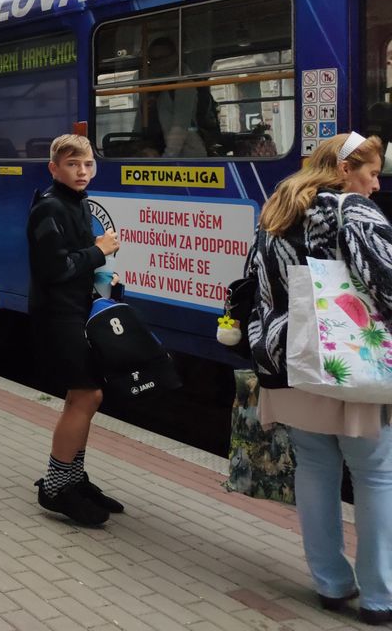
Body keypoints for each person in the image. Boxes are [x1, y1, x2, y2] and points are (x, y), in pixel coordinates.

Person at [249, 132, 392, 623]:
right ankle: (380, 597)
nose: (375, 186)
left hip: (291, 360)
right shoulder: (351, 209)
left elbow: (256, 286)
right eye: (372, 174)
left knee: (314, 468)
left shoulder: (277, 209)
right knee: (376, 474)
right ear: (346, 169)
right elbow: (385, 279)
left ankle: (332, 584)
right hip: (350, 363)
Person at [28, 134, 121, 526]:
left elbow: (74, 263)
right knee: (87, 395)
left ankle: (72, 477)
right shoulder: (48, 209)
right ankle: (56, 486)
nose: (82, 172)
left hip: (75, 311)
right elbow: (54, 269)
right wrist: (99, 250)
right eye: (72, 165)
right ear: (54, 168)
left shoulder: (75, 204)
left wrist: (102, 273)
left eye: (87, 164)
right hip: (57, 316)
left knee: (81, 397)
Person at [137, 36, 219, 157]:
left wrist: (167, 158)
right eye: (153, 59)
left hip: (189, 154)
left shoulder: (184, 84)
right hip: (170, 150)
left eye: (163, 58)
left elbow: (180, 126)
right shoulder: (158, 84)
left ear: (175, 57)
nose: (158, 63)